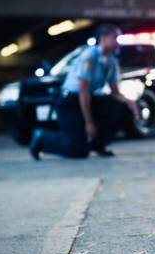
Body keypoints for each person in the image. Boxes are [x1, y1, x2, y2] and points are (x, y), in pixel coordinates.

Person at [29, 24, 138, 160]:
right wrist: (89, 123)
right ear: (103, 38)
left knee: (123, 108)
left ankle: (98, 143)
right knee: (78, 150)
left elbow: (115, 93)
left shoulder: (111, 62)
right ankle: (42, 137)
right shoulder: (89, 57)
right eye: (115, 37)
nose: (118, 41)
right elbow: (83, 91)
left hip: (88, 100)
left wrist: (130, 103)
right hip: (70, 103)